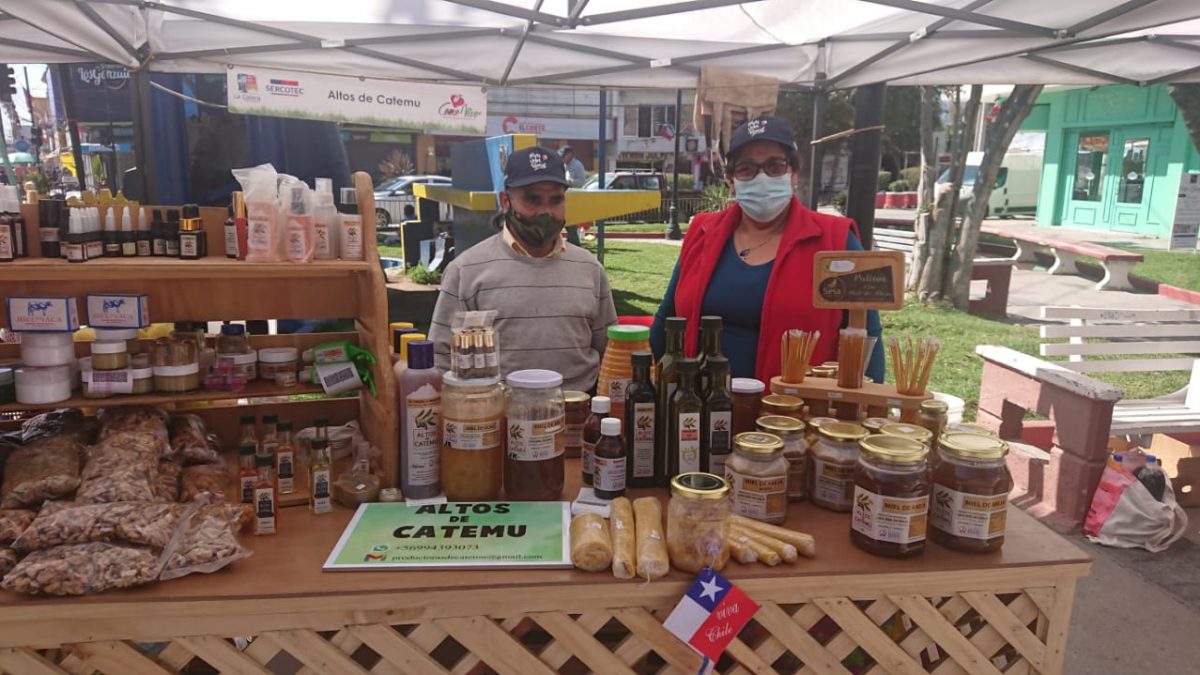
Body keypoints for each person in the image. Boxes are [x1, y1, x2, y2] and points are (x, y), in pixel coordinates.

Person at [650, 115, 884, 384]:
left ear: (794, 174)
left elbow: (867, 336)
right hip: (696, 410)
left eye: (775, 165)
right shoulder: (703, 233)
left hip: (789, 416)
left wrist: (867, 410)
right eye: (747, 168)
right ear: (730, 181)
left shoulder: (836, 241)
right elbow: (668, 315)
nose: (762, 177)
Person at [429, 146, 617, 391]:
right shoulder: (467, 270)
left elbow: (612, 353)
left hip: (578, 416)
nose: (546, 212)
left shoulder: (589, 269)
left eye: (556, 199)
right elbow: (440, 359)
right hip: (498, 417)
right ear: (505, 201)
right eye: (532, 199)